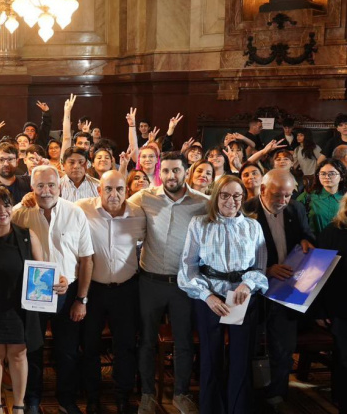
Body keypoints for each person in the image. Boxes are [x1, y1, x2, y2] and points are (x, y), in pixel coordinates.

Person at [179, 175, 268, 414]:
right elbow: (188, 266)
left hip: (242, 298)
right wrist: (206, 296)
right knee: (210, 358)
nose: (231, 201)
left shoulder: (252, 226)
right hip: (210, 298)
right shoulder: (199, 223)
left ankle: (238, 409)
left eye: (237, 196)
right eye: (225, 195)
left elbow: (259, 267)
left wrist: (247, 285)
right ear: (216, 196)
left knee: (241, 359)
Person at [128, 152, 208, 414]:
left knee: (183, 342)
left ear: (186, 172)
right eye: (166, 171)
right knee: (147, 341)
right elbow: (112, 204)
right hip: (149, 280)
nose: (171, 176)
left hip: (184, 284)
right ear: (159, 173)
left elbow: (232, 214)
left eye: (177, 171)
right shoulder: (145, 196)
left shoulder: (203, 203)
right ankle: (148, 395)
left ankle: (181, 394)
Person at [11, 165, 93, 414]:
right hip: (33, 293)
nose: (45, 191)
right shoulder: (19, 213)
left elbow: (86, 259)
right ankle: (33, 399)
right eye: (40, 186)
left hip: (67, 293)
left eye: (51, 185)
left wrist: (81, 299)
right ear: (32, 187)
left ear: (60, 186)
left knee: (67, 351)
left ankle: (66, 399)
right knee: (33, 349)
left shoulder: (75, 213)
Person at [242, 169, 315, 413]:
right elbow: (238, 257)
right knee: (250, 347)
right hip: (255, 291)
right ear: (263, 190)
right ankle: (248, 396)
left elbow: (306, 233)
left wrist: (306, 240)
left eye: (287, 195)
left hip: (286, 291)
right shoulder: (246, 211)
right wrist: (266, 270)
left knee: (283, 349)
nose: (283, 201)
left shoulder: (296, 209)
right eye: (277, 195)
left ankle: (277, 396)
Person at [75, 171, 146, 413]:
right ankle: (92, 395)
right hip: (93, 290)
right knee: (90, 345)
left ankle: (122, 394)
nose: (114, 195)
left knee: (125, 345)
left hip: (126, 290)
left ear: (126, 191)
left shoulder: (138, 214)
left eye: (119, 189)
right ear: (99, 190)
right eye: (108, 189)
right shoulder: (81, 209)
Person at [0, 186, 45, 414]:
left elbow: (42, 270)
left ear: (12, 207)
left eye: (6, 205)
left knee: (18, 354)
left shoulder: (27, 235)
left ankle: (18, 406)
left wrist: (58, 281)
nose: (1, 211)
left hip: (19, 307)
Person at [315, 195, 347, 413]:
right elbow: (317, 273)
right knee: (344, 357)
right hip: (340, 305)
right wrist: (320, 310)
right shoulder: (331, 232)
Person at [296, 159, 347, 237]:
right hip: (315, 244)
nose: (327, 177)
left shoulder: (345, 198)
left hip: (341, 244)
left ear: (341, 177)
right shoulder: (307, 197)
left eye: (332, 173)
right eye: (323, 174)